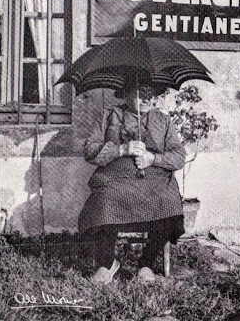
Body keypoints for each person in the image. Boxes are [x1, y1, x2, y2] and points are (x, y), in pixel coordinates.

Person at [78, 84, 186, 283]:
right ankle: (106, 263)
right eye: (140, 94)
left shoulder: (163, 120)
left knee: (168, 200)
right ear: (126, 94)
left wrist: (152, 159)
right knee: (104, 200)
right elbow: (89, 150)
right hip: (115, 178)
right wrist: (121, 149)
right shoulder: (110, 115)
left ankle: (146, 263)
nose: (147, 100)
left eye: (150, 94)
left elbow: (179, 156)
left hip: (154, 179)